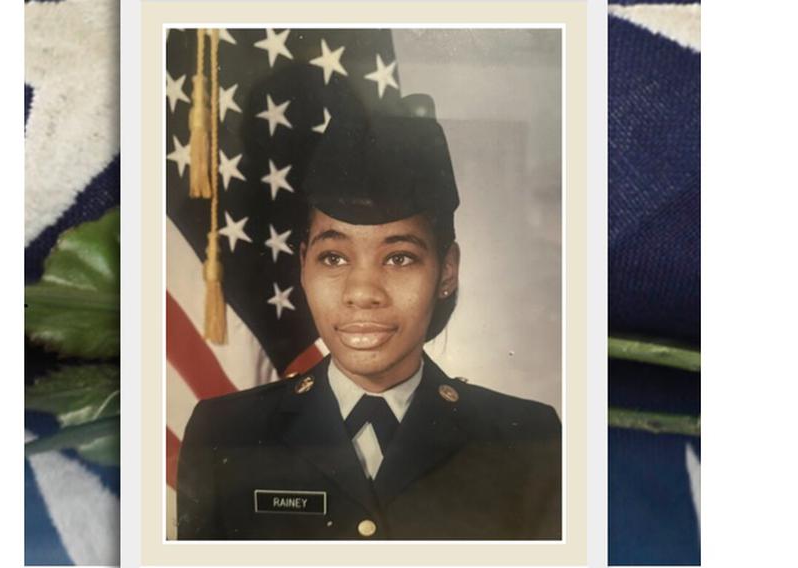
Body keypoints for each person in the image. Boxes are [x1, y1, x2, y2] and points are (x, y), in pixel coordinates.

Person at [177, 97, 561, 540]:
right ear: (303, 266)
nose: (361, 292)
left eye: (399, 258)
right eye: (334, 257)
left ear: (447, 271)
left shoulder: (528, 442)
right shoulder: (226, 433)